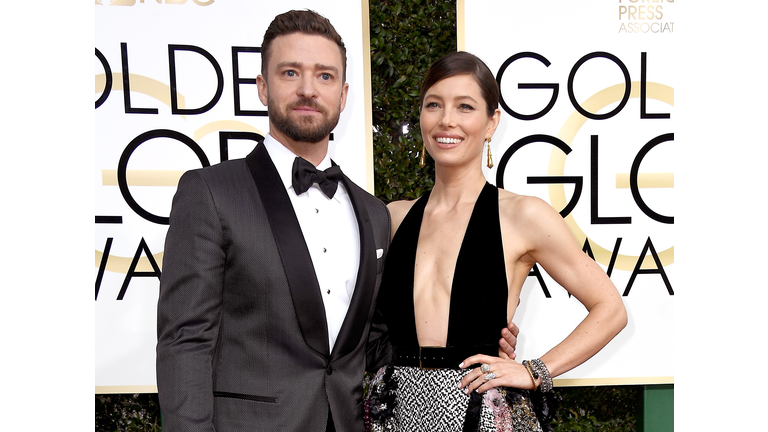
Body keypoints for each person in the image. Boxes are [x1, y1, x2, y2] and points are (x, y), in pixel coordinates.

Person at [156, 11, 518, 432]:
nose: (308, 89)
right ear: (262, 86)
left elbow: (378, 342)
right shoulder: (212, 193)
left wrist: (475, 340)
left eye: (325, 76)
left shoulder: (371, 212)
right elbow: (185, 341)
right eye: (290, 72)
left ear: (344, 95)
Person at [364, 52, 628, 432]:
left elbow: (610, 309)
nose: (446, 120)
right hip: (397, 412)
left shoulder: (523, 216)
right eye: (433, 105)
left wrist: (535, 372)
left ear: (492, 122)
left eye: (465, 106)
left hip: (483, 412)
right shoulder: (393, 218)